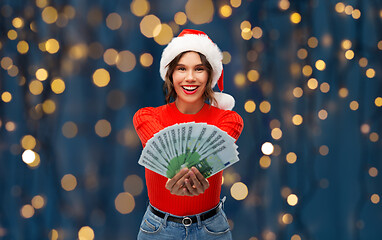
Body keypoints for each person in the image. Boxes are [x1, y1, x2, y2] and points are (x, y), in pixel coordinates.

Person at [133, 29, 243, 240]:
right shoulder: (146, 117)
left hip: (211, 230)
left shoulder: (229, 120)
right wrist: (182, 172)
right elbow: (163, 148)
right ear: (170, 74)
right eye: (181, 69)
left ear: (210, 75)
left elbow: (213, 153)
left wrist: (187, 173)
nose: (190, 78)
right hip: (157, 229)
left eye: (199, 69)